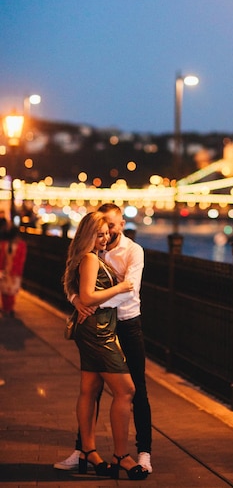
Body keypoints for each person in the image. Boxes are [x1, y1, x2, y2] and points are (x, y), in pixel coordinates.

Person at [55, 203, 152, 475]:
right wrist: (79, 300)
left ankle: (141, 452)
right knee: (116, 390)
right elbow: (75, 286)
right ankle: (94, 451)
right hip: (98, 329)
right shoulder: (90, 254)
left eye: (110, 226)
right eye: (100, 229)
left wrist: (89, 303)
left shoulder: (133, 251)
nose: (107, 233)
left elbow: (129, 294)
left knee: (132, 389)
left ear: (121, 223)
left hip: (125, 323)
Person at [0, 226, 27, 317]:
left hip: (9, 270)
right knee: (7, 290)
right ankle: (7, 308)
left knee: (8, 291)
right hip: (9, 270)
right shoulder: (17, 244)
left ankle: (8, 308)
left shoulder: (6, 244)